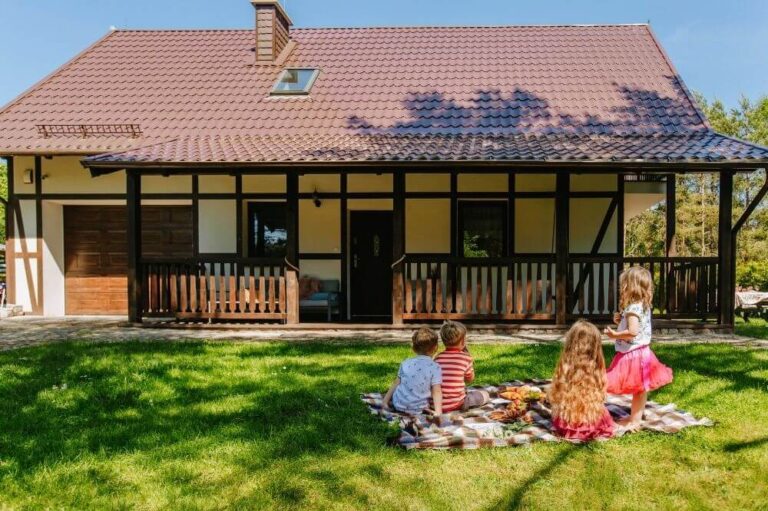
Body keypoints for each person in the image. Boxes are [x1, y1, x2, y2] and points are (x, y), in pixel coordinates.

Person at [604, 266, 673, 429]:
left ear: (630, 287)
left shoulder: (633, 309)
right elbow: (636, 326)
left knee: (613, 382)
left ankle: (631, 420)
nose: (621, 288)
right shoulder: (643, 305)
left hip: (633, 355)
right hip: (643, 353)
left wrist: (615, 335)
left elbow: (633, 332)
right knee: (640, 390)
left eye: (624, 285)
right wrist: (620, 320)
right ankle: (635, 419)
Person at [548, 320, 615, 441]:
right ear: (596, 346)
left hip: (567, 423)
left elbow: (555, 395)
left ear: (570, 343)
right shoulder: (597, 366)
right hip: (592, 422)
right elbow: (602, 393)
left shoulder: (565, 365)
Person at [382, 327, 443, 415]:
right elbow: (436, 391)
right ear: (435, 348)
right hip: (419, 409)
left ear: (414, 348)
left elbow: (396, 382)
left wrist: (385, 401)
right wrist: (438, 412)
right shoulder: (435, 367)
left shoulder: (406, 362)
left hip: (398, 405)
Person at [434, 320, 489, 412]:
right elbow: (469, 379)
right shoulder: (466, 358)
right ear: (463, 341)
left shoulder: (437, 358)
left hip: (436, 404)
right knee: (485, 394)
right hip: (457, 403)